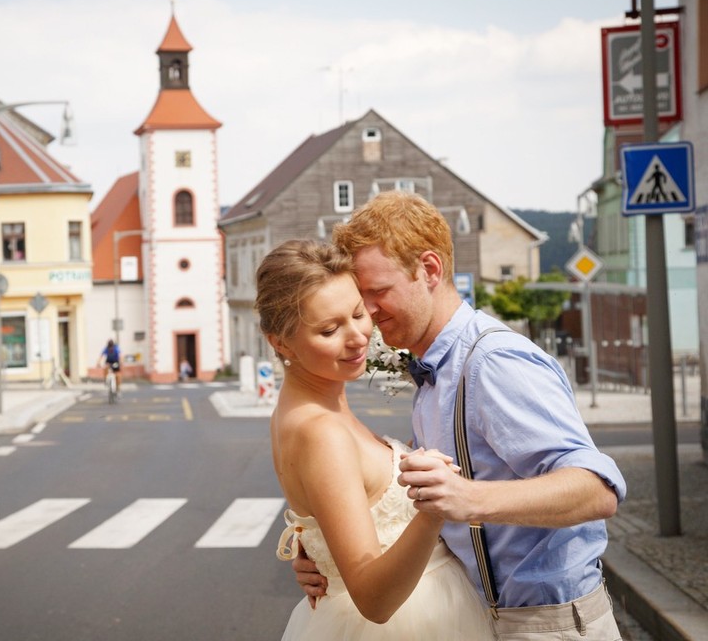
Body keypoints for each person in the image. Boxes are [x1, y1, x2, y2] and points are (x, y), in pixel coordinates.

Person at [293, 191, 627, 639]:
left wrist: (469, 499)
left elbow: (597, 489)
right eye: (361, 296)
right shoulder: (437, 367)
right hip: (491, 617)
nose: (368, 313)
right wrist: (326, 556)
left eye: (378, 292)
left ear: (429, 269)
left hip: (546, 624)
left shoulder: (492, 361)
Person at [257, 239, 492, 639]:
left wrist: (321, 552)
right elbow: (374, 600)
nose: (357, 337)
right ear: (280, 342)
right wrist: (434, 507)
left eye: (357, 313)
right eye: (329, 329)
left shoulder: (316, 403)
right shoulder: (320, 431)